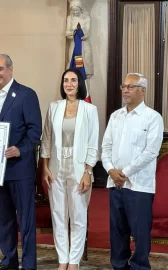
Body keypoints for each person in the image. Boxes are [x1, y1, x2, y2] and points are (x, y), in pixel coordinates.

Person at [0, 54, 42, 270]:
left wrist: (20, 149)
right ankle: (9, 260)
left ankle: (28, 265)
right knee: (4, 219)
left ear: (10, 70)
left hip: (21, 169)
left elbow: (35, 131)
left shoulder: (26, 95)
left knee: (25, 220)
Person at [102, 73, 164, 270]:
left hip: (139, 186)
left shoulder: (152, 118)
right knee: (117, 232)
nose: (125, 90)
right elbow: (106, 148)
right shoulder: (115, 116)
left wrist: (124, 173)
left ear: (143, 91)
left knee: (140, 233)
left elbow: (151, 152)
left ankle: (140, 267)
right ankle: (119, 266)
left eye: (131, 86)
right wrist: (111, 170)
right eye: (124, 86)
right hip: (115, 183)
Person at [40, 68, 99, 269]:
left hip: (79, 169)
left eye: (73, 80)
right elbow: (46, 138)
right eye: (66, 80)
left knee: (78, 216)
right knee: (58, 215)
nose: (69, 84)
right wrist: (45, 167)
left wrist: (88, 172)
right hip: (56, 168)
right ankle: (62, 260)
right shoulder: (54, 107)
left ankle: (74, 261)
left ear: (79, 83)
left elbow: (93, 143)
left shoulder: (89, 109)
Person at [66, 0, 93, 79]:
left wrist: (83, 35)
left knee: (85, 65)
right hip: (75, 45)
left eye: (76, 10)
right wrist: (75, 34)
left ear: (81, 9)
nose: (75, 12)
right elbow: (67, 33)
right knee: (75, 65)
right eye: (73, 10)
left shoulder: (86, 17)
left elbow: (87, 33)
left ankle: (84, 84)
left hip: (84, 45)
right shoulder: (69, 18)